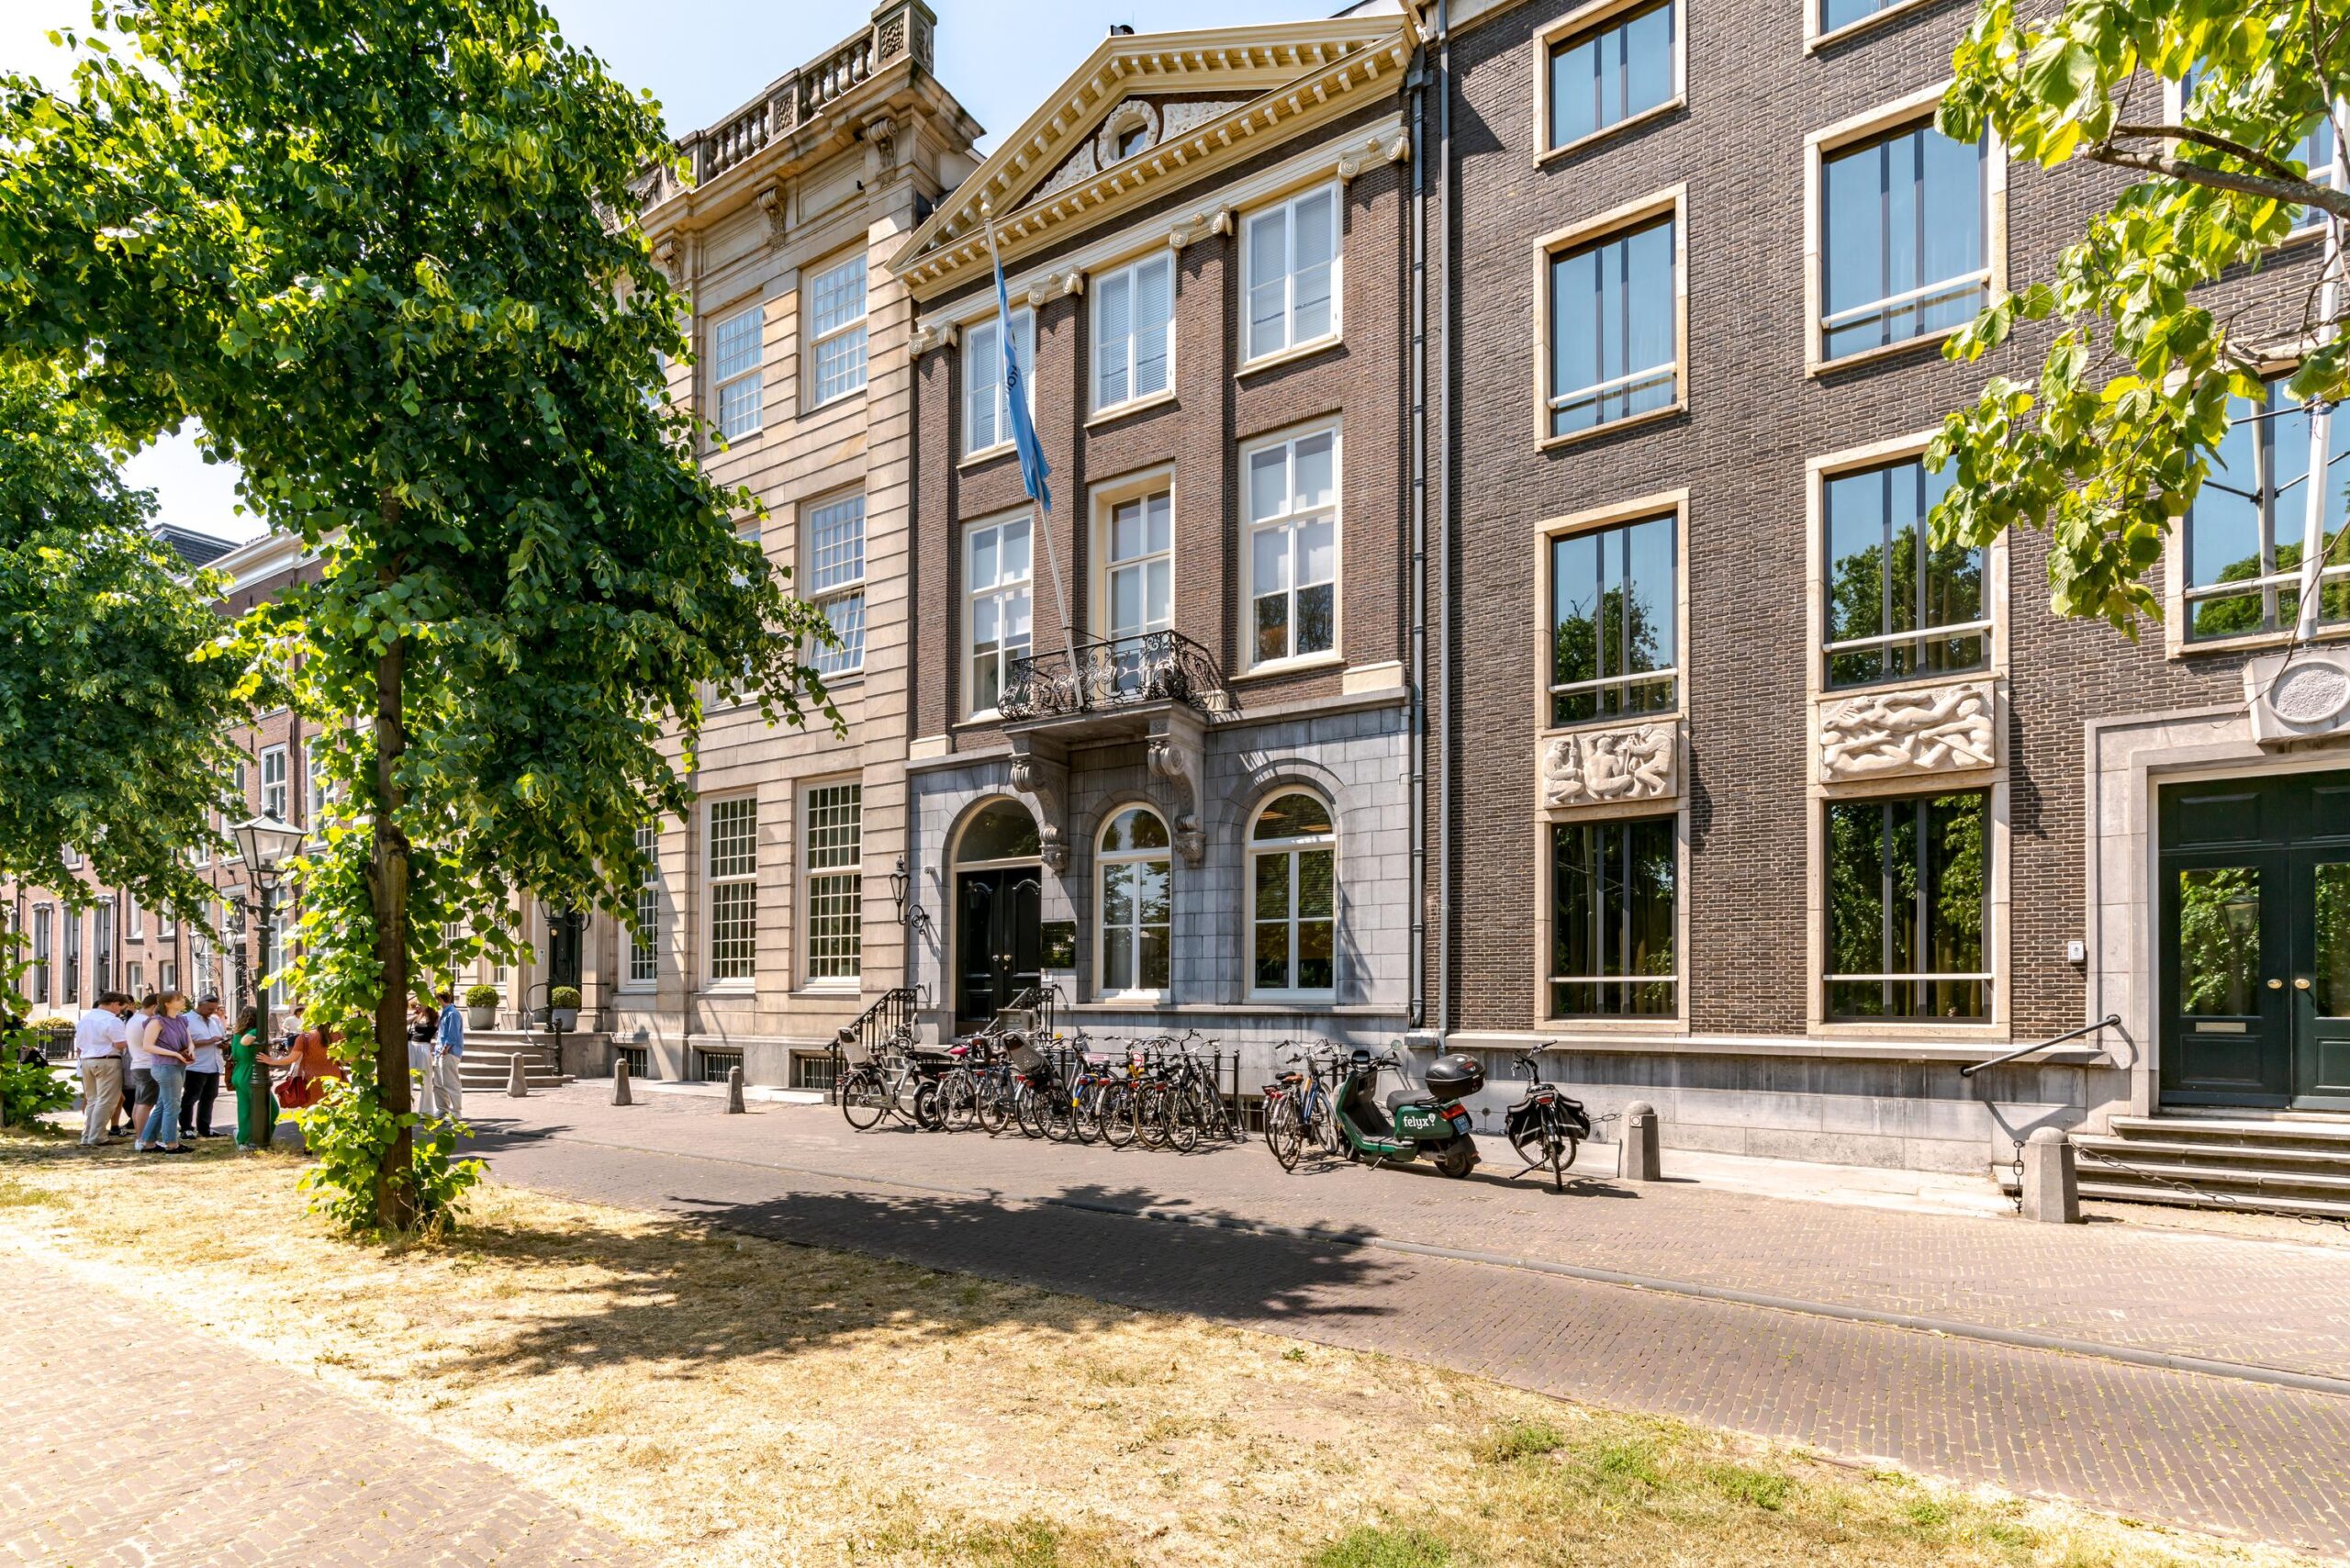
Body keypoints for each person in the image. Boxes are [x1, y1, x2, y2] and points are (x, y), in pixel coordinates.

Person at [72, 992, 132, 1147]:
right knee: (106, 1100)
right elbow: (119, 1044)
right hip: (107, 1060)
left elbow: (79, 1044)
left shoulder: (85, 1019)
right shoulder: (112, 1020)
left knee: (92, 1100)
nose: (120, 1012)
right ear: (114, 1004)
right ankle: (98, 1136)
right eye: (121, 1008)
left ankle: (88, 1135)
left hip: (86, 1061)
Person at [139, 992, 196, 1155]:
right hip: (165, 1066)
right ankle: (171, 1143)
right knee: (173, 1105)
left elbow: (189, 1040)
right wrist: (176, 1054)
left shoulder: (181, 1020)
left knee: (164, 1103)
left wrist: (191, 1049)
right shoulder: (156, 1021)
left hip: (178, 1066)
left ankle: (148, 1142)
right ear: (167, 1004)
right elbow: (148, 1046)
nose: (183, 1001)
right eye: (179, 999)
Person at [227, 1004, 278, 1151]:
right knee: (271, 1109)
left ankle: (243, 1139)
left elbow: (236, 1052)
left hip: (239, 1073)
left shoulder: (236, 1034)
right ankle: (261, 1138)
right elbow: (264, 1045)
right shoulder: (256, 1031)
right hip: (251, 1072)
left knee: (245, 1109)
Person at [180, 995, 229, 1138]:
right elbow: (182, 1045)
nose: (212, 1012)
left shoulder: (214, 1021)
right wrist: (208, 1041)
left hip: (214, 1064)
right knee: (190, 1097)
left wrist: (222, 1044)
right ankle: (185, 1128)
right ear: (200, 1005)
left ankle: (204, 1127)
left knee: (209, 1097)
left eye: (214, 1009)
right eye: (209, 1009)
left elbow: (220, 1037)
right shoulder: (186, 1019)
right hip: (196, 1065)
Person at [121, 993, 160, 1148]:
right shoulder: (146, 1021)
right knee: (146, 1103)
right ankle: (143, 1138)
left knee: (140, 1102)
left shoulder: (134, 1019)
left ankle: (140, 1137)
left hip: (138, 1064)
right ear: (154, 1007)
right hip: (147, 1064)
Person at [423, 987, 464, 1119]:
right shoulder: (446, 1013)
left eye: (436, 999)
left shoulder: (453, 1014)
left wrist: (446, 1049)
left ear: (440, 999)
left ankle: (456, 1112)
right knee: (439, 1084)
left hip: (449, 1053)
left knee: (451, 1083)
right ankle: (442, 1109)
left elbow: (452, 1034)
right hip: (440, 1053)